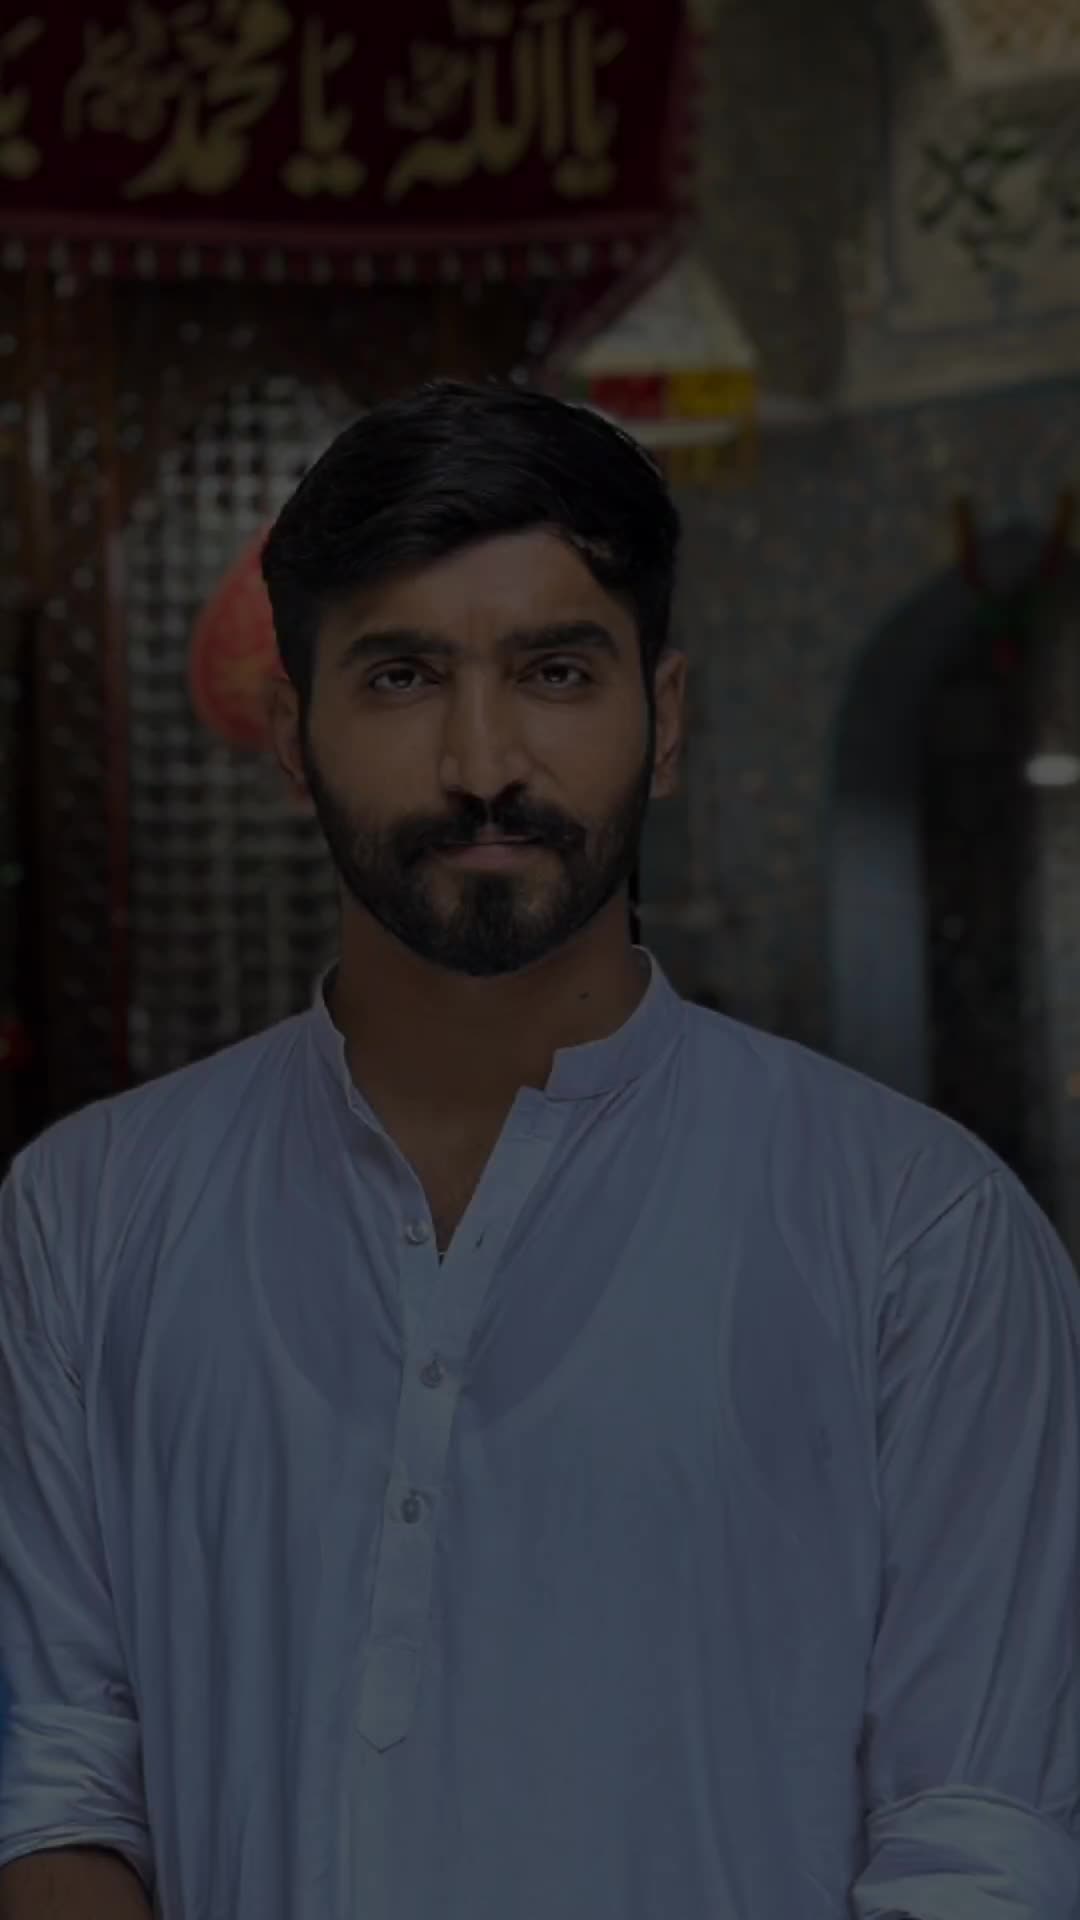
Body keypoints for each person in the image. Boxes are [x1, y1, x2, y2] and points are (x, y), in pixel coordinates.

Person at [1, 380, 1079, 1920]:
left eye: (557, 671)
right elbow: (55, 1778)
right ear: (295, 741)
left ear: (667, 722)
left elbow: (979, 1842)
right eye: (401, 676)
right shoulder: (87, 1216)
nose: (483, 761)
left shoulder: (918, 1234)